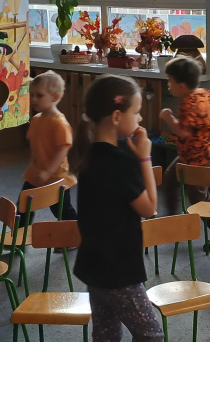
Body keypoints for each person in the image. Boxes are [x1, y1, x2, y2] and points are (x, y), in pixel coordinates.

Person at [70, 76, 163, 342]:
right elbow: (149, 208)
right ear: (116, 116)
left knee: (106, 335)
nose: (140, 119)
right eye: (136, 112)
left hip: (93, 266)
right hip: (118, 272)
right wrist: (145, 158)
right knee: (152, 335)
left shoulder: (89, 154)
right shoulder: (121, 163)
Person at [159, 56, 210, 249]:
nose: (168, 85)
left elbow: (183, 132)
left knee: (199, 199)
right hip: (193, 155)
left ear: (181, 85)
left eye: (170, 81)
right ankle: (173, 220)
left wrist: (168, 118)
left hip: (197, 160)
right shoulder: (205, 94)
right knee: (170, 178)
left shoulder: (188, 104)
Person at [20, 71, 76, 225]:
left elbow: (62, 150)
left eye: (39, 95)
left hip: (55, 176)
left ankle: (76, 232)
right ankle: (20, 233)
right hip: (36, 174)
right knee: (24, 206)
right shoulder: (36, 119)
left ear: (55, 97)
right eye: (32, 94)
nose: (33, 99)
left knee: (62, 210)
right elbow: (36, 145)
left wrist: (48, 172)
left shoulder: (59, 123)